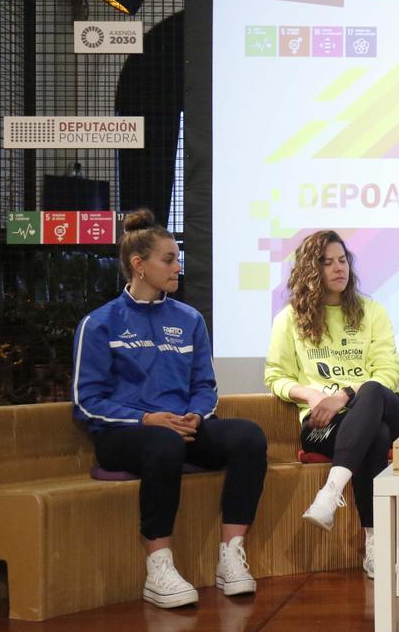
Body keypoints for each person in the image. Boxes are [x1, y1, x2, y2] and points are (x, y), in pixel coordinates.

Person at [73, 209, 267, 608]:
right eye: (169, 259)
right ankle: (158, 565)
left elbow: (205, 386)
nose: (178, 267)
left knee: (249, 436)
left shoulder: (190, 319)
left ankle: (231, 556)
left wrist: (197, 413)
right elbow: (86, 402)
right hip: (125, 434)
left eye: (178, 258)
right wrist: (145, 418)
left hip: (182, 429)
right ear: (138, 266)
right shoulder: (100, 323)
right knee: (163, 443)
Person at [264, 230, 399, 579]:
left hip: (378, 404)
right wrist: (312, 396)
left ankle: (330, 491)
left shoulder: (370, 311)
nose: (338, 268)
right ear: (312, 270)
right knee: (375, 435)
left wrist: (343, 394)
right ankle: (374, 542)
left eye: (342, 260)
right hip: (322, 425)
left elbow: (389, 371)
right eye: (327, 262)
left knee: (371, 390)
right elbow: (275, 376)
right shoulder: (290, 319)